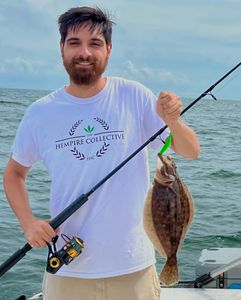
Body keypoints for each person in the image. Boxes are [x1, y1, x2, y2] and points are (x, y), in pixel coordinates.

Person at [3, 6, 200, 300]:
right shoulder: (40, 112)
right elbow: (14, 174)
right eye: (74, 43)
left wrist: (172, 119)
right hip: (69, 270)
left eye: (94, 43)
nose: (85, 52)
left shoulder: (133, 95)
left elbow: (190, 150)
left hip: (133, 267)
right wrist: (28, 223)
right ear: (61, 49)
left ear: (108, 49)